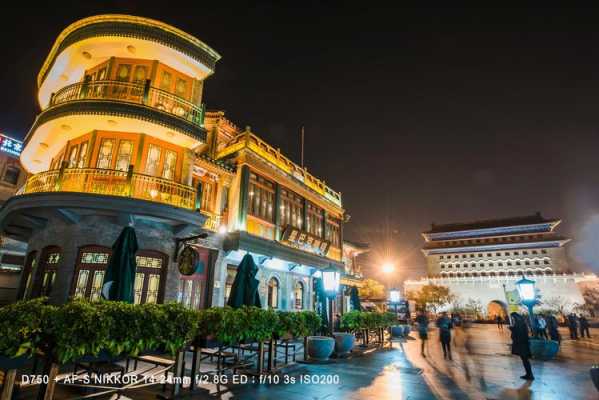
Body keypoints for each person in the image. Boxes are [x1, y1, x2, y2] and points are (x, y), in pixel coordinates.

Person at [509, 312, 534, 380]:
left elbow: (519, 334)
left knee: (525, 360)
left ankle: (530, 375)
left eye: (512, 317)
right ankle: (529, 374)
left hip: (522, 345)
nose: (512, 319)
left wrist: (512, 329)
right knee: (525, 360)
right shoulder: (522, 322)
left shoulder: (519, 323)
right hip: (524, 344)